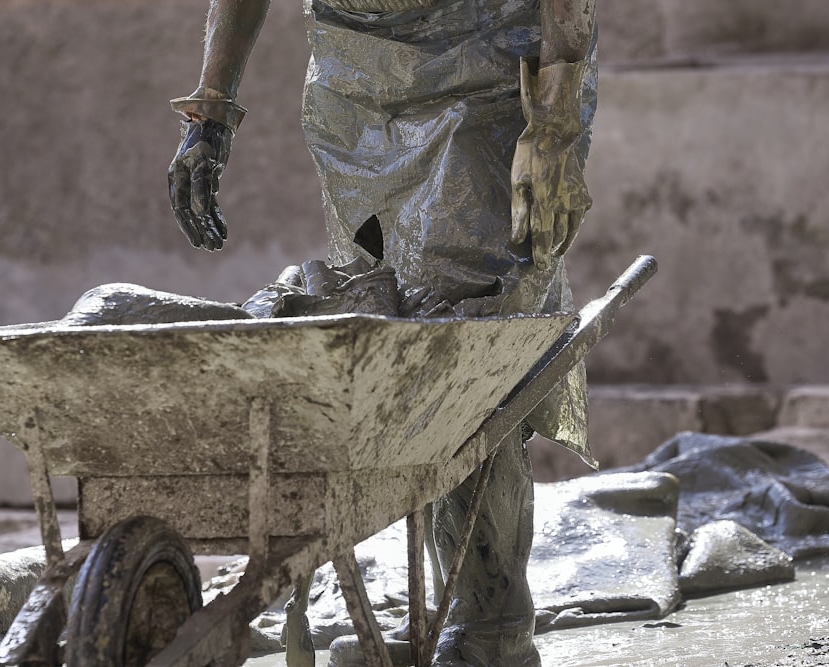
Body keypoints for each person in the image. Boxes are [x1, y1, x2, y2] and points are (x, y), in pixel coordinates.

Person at [168, 0, 598, 664]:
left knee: (465, 329)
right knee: (400, 328)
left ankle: (495, 626)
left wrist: (557, 118)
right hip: (357, 90)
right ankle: (458, 599)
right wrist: (209, 115)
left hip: (485, 67)